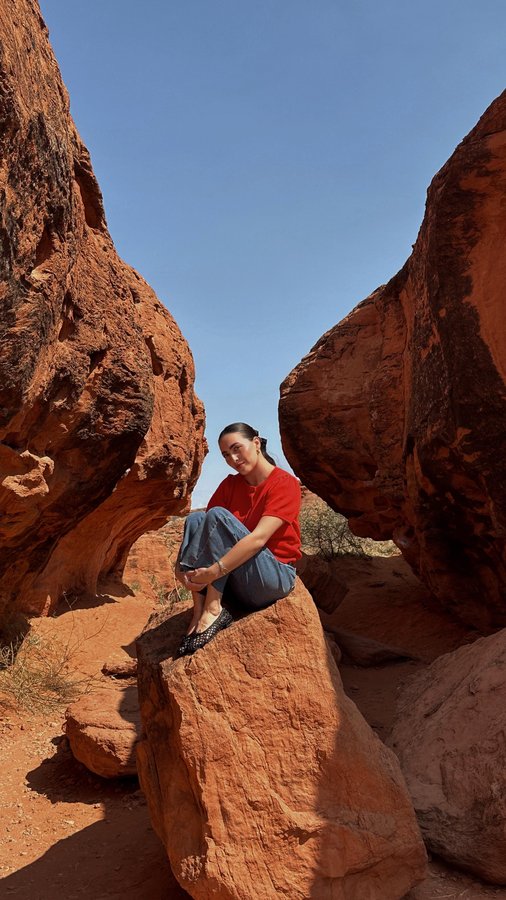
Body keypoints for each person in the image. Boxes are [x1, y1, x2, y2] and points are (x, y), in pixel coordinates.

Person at [175, 422, 301, 656]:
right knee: (195, 521)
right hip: (239, 580)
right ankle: (199, 608)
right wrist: (183, 571)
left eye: (236, 449)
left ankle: (214, 608)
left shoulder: (285, 483)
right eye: (225, 455)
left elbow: (258, 539)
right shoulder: (230, 484)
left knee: (217, 516)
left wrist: (213, 572)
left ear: (256, 443)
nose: (233, 458)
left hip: (271, 578)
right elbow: (204, 532)